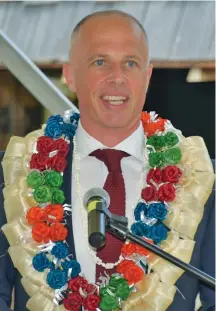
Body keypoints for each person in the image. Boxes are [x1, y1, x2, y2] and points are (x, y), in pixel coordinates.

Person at [0, 10, 215, 311]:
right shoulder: (14, 174)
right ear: (70, 76)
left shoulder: (201, 178)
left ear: (148, 76)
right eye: (99, 62)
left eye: (131, 63)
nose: (117, 77)